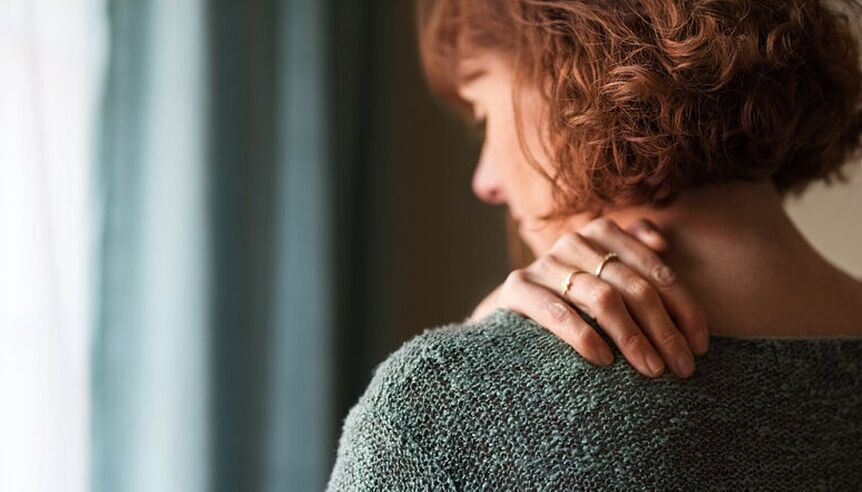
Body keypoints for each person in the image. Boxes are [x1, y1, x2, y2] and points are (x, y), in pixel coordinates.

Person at [328, 0, 862, 489]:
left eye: (485, 114)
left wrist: (466, 370)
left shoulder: (441, 405)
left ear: (570, 66)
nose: (485, 181)